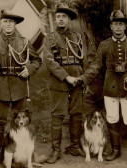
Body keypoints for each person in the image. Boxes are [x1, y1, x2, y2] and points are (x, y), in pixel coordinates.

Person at [80, 10, 127, 166]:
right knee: (112, 119)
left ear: (125, 27)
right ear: (111, 26)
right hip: (110, 88)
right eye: (115, 24)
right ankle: (115, 150)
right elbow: (96, 65)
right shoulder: (104, 45)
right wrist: (83, 79)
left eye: (121, 24)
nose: (118, 27)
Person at [0, 10, 41, 166]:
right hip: (1, 86)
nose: (8, 24)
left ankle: (23, 154)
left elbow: (37, 60)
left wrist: (29, 69)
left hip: (19, 86)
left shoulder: (24, 41)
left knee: (23, 122)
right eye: (5, 21)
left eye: (11, 22)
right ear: (1, 23)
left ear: (15, 24)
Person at [43, 3, 87, 164]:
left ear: (69, 19)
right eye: (58, 17)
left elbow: (84, 60)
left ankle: (75, 146)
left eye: (63, 17)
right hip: (59, 82)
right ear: (55, 20)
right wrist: (66, 77)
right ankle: (56, 150)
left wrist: (83, 79)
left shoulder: (78, 37)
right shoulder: (50, 38)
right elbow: (49, 61)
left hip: (77, 81)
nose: (60, 20)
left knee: (76, 114)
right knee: (57, 116)